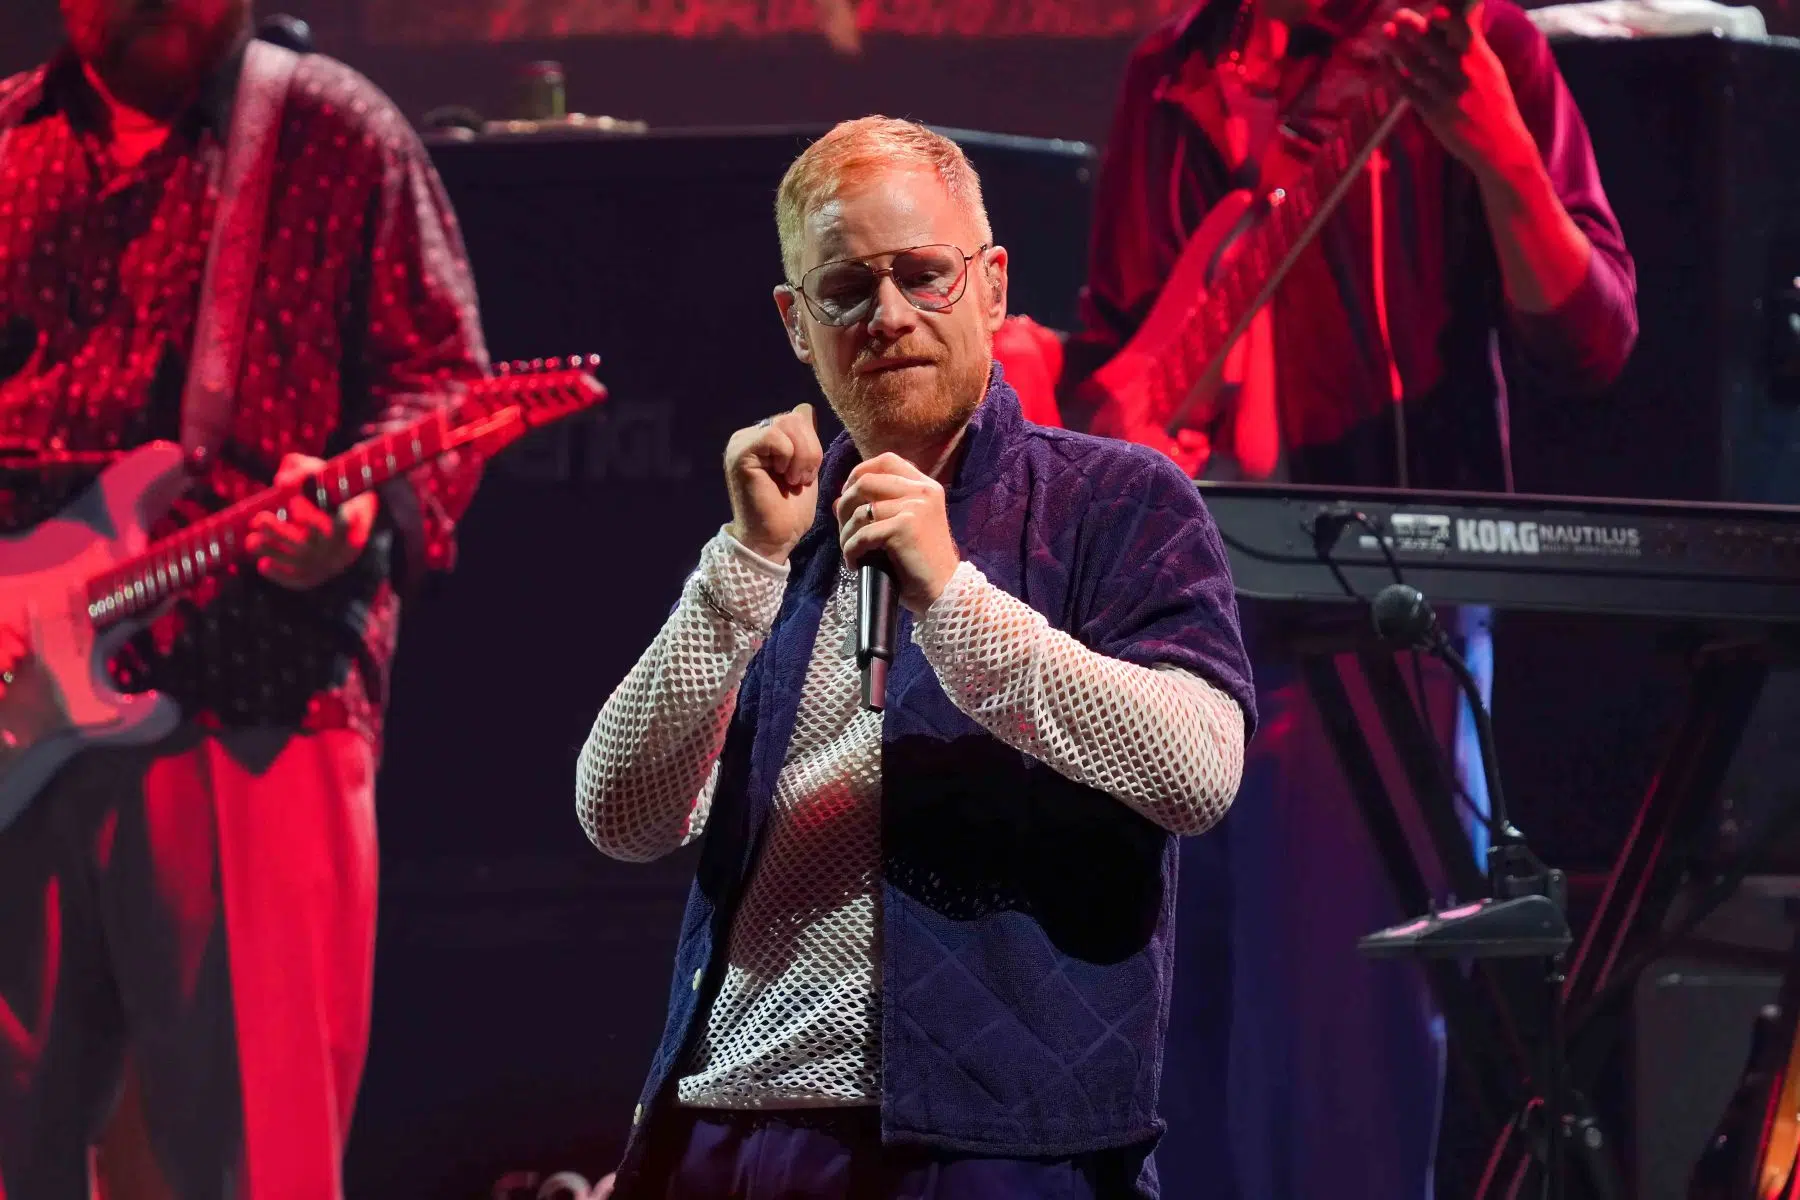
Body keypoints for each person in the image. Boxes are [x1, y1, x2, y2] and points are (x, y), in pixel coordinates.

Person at [992, 0, 1637, 1195]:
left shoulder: (1473, 41)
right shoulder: (1175, 69)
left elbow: (1592, 338)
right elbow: (1120, 346)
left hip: (1375, 608)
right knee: (1168, 1019)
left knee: (1344, 1048)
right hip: (1178, 605)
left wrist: (1497, 150)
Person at [575, 115, 1257, 1199]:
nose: (887, 315)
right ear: (799, 325)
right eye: (847, 289)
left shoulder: (1113, 502)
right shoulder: (780, 531)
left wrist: (951, 594)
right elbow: (624, 815)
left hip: (985, 1140)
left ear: (990, 286)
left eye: (923, 276)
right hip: (722, 1128)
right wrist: (744, 558)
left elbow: (1198, 766)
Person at [0, 0, 487, 1194]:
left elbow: (440, 383)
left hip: (255, 695)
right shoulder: (9, 142)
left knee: (256, 1160)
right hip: (14, 710)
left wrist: (362, 514)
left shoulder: (330, 131)